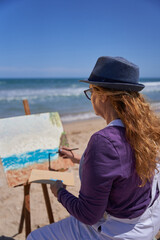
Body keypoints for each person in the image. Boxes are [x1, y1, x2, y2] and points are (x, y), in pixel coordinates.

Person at [27, 56, 160, 240]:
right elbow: (122, 166)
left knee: (35, 237)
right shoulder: (142, 130)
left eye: (91, 91)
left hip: (119, 232)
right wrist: (79, 157)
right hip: (146, 223)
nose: (91, 98)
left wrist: (59, 191)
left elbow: (88, 215)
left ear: (103, 95)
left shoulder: (103, 141)